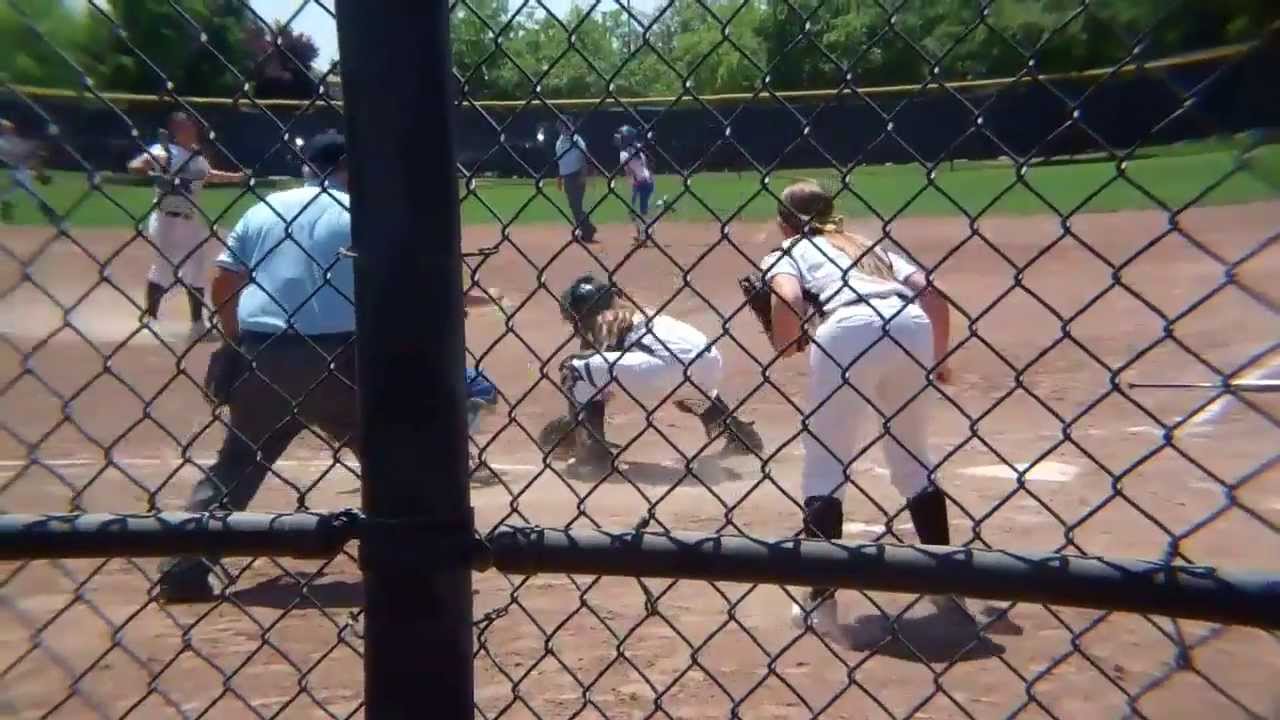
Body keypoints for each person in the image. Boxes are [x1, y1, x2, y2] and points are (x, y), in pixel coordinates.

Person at [155, 132, 357, 603]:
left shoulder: (264, 210)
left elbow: (223, 280)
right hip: (344, 359)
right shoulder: (362, 213)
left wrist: (234, 340)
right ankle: (409, 559)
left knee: (237, 464)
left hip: (264, 352)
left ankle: (184, 569)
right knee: (392, 455)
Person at [757, 180, 965, 636]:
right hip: (911, 327)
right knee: (912, 457)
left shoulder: (788, 252)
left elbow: (790, 299)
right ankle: (946, 583)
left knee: (825, 464)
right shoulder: (868, 245)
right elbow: (931, 292)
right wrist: (940, 357)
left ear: (783, 222)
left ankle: (821, 601)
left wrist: (785, 342)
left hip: (846, 329)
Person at [554, 273, 763, 475]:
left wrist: (576, 427)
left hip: (668, 369)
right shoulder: (641, 314)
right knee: (689, 394)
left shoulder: (607, 322)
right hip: (710, 363)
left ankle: (593, 457)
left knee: (573, 368)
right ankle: (739, 435)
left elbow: (598, 386)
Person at [126, 111, 246, 343]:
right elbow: (134, 166)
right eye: (185, 127)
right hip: (166, 220)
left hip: (191, 220)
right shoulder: (164, 152)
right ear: (175, 131)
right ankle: (150, 319)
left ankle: (197, 324)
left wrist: (237, 178)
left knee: (197, 270)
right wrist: (157, 175)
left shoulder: (197, 156)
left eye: (191, 126)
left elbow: (209, 176)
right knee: (163, 268)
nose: (191, 130)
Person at [0, 118, 59, 227]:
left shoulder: (12, 140)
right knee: (26, 195)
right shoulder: (5, 141)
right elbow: (25, 154)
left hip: (19, 172)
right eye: (6, 127)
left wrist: (38, 172)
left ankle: (54, 218)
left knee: (29, 196)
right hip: (17, 172)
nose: (11, 129)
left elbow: (28, 155)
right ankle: (54, 217)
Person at [554, 117, 597, 244]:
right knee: (573, 206)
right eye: (560, 125)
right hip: (566, 176)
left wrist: (583, 175)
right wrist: (559, 177)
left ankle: (588, 230)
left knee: (576, 205)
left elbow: (585, 155)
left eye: (563, 125)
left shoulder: (576, 139)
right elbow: (560, 159)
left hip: (576, 174)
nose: (561, 127)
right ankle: (585, 229)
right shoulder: (560, 141)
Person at [615, 125, 656, 245]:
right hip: (646, 181)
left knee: (637, 211)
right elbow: (645, 161)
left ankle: (645, 235)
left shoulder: (624, 154)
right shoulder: (637, 147)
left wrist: (634, 181)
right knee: (639, 210)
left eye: (621, 136)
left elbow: (628, 171)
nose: (618, 138)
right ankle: (644, 232)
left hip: (640, 183)